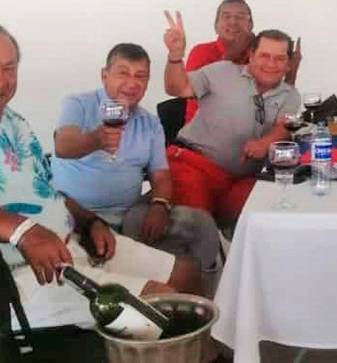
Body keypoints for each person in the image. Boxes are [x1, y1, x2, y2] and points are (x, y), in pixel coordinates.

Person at [0, 21, 203, 331]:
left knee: (186, 275)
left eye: (8, 68)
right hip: (26, 274)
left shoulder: (14, 122)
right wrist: (24, 231)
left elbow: (47, 191)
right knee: (161, 306)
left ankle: (207, 358)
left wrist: (89, 221)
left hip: (74, 244)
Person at [51, 43, 220, 294]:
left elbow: (160, 174)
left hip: (127, 220)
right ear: (104, 75)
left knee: (201, 228)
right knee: (149, 289)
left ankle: (209, 306)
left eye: (140, 76)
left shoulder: (150, 123)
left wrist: (160, 204)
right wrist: (95, 140)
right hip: (70, 219)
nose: (132, 83)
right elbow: (63, 145)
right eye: (123, 73)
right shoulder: (78, 104)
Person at [163, 11, 301, 223]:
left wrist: (264, 143)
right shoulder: (221, 71)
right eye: (264, 56)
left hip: (241, 180)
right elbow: (177, 88)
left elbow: (284, 127)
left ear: (289, 64)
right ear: (251, 55)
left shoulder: (291, 95)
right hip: (192, 164)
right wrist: (175, 56)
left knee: (271, 217)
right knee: (195, 227)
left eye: (279, 58)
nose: (271, 64)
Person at [179, 0, 302, 123]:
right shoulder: (201, 52)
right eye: (226, 16)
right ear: (216, 26)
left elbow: (278, 103)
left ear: (250, 26)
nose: (233, 22)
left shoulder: (259, 57)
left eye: (240, 16)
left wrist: (290, 72)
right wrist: (235, 51)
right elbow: (208, 95)